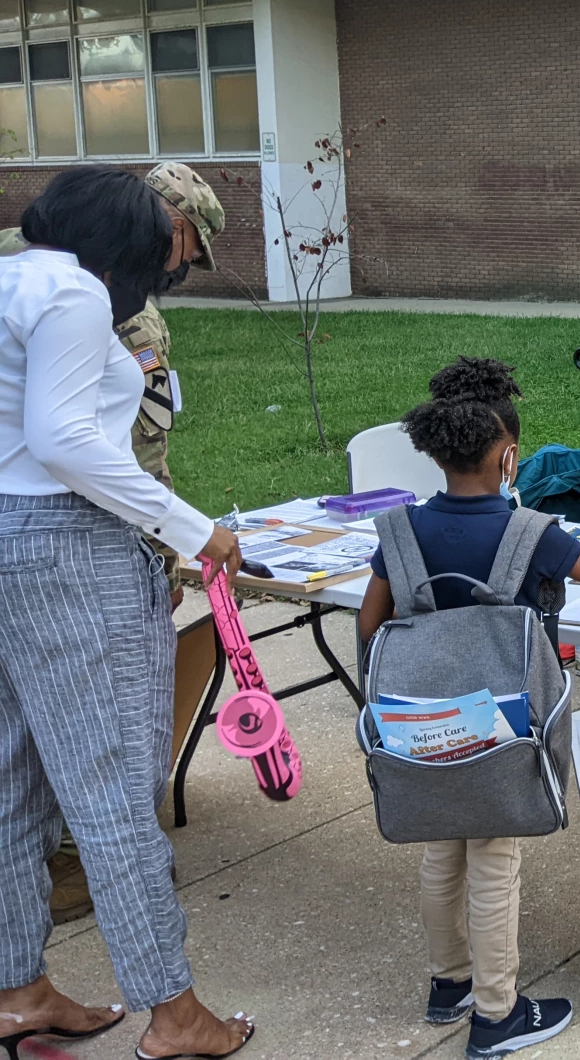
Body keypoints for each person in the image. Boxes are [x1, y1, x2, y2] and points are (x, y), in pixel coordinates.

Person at [0, 167, 253, 1058]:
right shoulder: (71, 290)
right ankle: (175, 1014)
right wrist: (194, 527)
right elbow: (64, 439)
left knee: (11, 780)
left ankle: (18, 988)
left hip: (4, 542)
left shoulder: (8, 279)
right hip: (69, 546)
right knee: (113, 789)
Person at [355, 357, 580, 1058]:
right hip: (504, 727)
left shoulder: (400, 532)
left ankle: (448, 984)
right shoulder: (535, 533)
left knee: (440, 850)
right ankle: (497, 1013)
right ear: (509, 456)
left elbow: (369, 625)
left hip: (422, 728)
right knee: (493, 857)